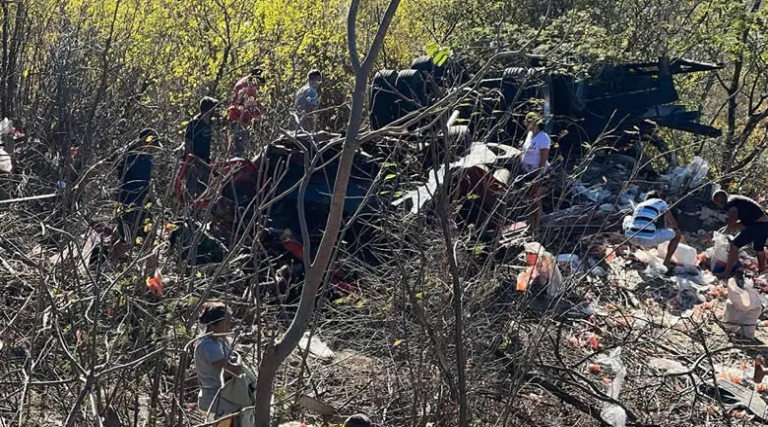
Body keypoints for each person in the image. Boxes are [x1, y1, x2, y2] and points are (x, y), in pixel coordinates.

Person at [194, 301, 243, 424]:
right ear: (213, 325)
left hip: (226, 399)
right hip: (216, 402)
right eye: (226, 323)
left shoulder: (221, 340)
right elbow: (232, 370)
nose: (229, 327)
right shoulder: (208, 345)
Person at [114, 128, 160, 245]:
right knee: (126, 241)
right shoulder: (127, 156)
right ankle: (111, 260)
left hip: (143, 204)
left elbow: (147, 183)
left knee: (149, 238)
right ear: (144, 141)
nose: (153, 149)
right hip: (127, 203)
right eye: (152, 144)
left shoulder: (148, 158)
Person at [623, 191, 684, 270]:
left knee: (628, 219)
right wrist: (675, 229)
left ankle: (631, 253)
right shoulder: (660, 202)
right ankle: (666, 263)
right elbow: (672, 222)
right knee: (677, 235)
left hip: (631, 238)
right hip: (649, 239)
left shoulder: (640, 205)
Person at [712, 190, 768, 277]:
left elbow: (733, 221)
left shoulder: (729, 203)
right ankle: (762, 272)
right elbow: (743, 222)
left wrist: (726, 232)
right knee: (759, 248)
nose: (717, 206)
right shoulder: (736, 200)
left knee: (734, 245)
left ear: (719, 200)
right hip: (764, 223)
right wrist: (726, 228)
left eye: (717, 203)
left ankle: (726, 273)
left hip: (758, 225)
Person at [520, 111, 551, 230]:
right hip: (527, 173)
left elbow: (543, 159)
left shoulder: (543, 138)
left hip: (538, 173)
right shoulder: (529, 135)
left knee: (536, 200)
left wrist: (538, 175)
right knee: (530, 200)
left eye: (528, 121)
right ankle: (531, 222)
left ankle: (537, 226)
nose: (526, 124)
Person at [183, 96, 219, 198]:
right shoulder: (194, 124)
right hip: (195, 162)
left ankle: (197, 213)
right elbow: (188, 144)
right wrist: (190, 163)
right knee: (191, 191)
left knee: (203, 193)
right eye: (213, 109)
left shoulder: (209, 123)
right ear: (208, 110)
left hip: (205, 162)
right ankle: (188, 211)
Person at [227, 66, 264, 158]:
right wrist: (260, 116)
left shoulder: (243, 81)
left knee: (233, 148)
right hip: (240, 120)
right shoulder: (251, 86)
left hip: (233, 117)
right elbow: (252, 108)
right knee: (241, 150)